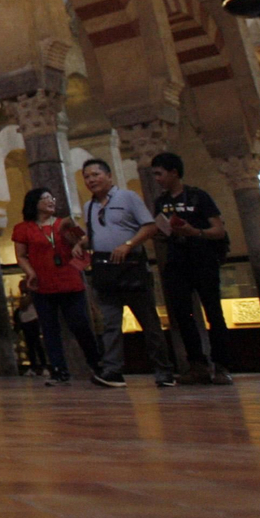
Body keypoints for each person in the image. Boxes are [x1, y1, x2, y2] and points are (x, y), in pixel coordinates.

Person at [81, 159, 175, 388]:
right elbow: (95, 234)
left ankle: (164, 372)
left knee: (149, 323)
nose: (91, 180)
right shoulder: (89, 207)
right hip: (105, 269)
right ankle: (113, 370)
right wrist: (81, 243)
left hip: (131, 267)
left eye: (95, 174)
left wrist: (128, 244)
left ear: (109, 176)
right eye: (87, 177)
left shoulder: (128, 198)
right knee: (110, 323)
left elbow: (150, 226)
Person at [151, 152, 233, 385]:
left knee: (213, 313)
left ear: (174, 172)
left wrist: (195, 232)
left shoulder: (199, 197)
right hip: (177, 262)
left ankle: (222, 365)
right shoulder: (161, 202)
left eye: (159, 173)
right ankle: (196, 364)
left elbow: (219, 230)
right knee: (183, 315)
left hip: (203, 260)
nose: (156, 179)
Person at [11, 187, 101, 385]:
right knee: (50, 329)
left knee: (80, 324)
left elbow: (83, 240)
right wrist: (30, 273)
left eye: (52, 197)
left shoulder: (63, 223)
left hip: (69, 280)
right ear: (34, 203)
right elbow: (21, 255)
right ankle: (59, 370)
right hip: (42, 283)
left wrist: (78, 243)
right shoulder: (23, 228)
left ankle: (97, 365)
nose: (51, 201)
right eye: (45, 198)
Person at [13, 297, 47, 378]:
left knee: (35, 346)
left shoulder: (31, 305)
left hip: (31, 324)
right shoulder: (24, 308)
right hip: (29, 325)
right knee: (33, 347)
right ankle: (37, 367)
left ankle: (40, 367)